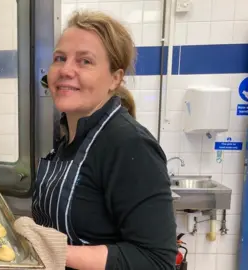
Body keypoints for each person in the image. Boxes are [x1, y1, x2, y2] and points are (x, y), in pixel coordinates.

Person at [30, 10, 177, 270]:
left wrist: (55, 251)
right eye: (59, 58)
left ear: (115, 78)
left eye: (84, 61)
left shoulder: (129, 144)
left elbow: (156, 260)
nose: (65, 69)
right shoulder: (70, 138)